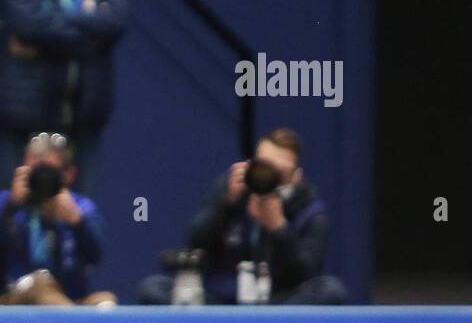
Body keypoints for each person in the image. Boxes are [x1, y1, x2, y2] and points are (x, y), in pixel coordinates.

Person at [0, 0, 125, 198]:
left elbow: (114, 23)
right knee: (10, 211)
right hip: (21, 124)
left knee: (79, 216)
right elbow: (29, 27)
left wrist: (48, 30)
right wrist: (90, 29)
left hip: (82, 124)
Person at [137, 127, 347, 304]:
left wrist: (279, 228)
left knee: (331, 290)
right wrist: (225, 206)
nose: (269, 177)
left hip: (279, 302)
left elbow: (308, 273)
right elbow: (194, 243)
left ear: (296, 176)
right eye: (264, 166)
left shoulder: (310, 209)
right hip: (222, 299)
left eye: (279, 172)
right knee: (153, 287)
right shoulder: (231, 189)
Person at [0, 132, 116, 305]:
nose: (41, 179)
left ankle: (70, 319)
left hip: (69, 299)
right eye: (35, 172)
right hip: (9, 302)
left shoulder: (80, 208)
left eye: (48, 172)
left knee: (106, 302)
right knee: (39, 285)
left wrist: (77, 223)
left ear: (68, 175)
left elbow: (96, 256)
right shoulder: (2, 204)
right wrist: (10, 208)